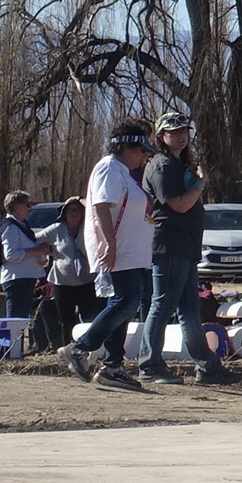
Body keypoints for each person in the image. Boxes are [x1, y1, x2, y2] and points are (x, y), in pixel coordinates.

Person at [138, 112, 232, 386]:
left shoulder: (179, 164)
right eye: (174, 131)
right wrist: (200, 184)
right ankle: (149, 364)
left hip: (186, 246)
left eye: (184, 130)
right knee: (162, 305)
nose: (181, 135)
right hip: (169, 245)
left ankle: (207, 366)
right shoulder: (162, 165)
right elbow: (178, 205)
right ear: (161, 136)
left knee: (190, 308)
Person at [63, 124, 157, 388]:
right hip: (120, 250)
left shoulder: (124, 173)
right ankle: (79, 348)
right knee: (125, 302)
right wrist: (110, 244)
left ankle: (113, 366)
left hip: (133, 252)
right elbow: (101, 206)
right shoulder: (109, 168)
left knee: (126, 304)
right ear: (124, 147)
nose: (144, 156)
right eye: (140, 150)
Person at [35, 195, 93, 351]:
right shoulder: (56, 229)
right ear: (65, 213)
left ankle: (87, 349)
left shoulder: (89, 228)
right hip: (62, 283)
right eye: (71, 210)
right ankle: (67, 349)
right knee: (66, 320)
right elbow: (35, 239)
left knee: (89, 318)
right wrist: (44, 250)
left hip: (86, 281)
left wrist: (81, 199)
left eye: (78, 210)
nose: (75, 213)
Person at [0, 192, 48, 327]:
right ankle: (12, 341)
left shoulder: (22, 225)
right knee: (14, 322)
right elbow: (11, 254)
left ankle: (19, 341)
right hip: (16, 280)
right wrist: (37, 251)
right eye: (26, 205)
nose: (29, 208)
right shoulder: (10, 227)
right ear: (17, 207)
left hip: (26, 278)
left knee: (22, 321)